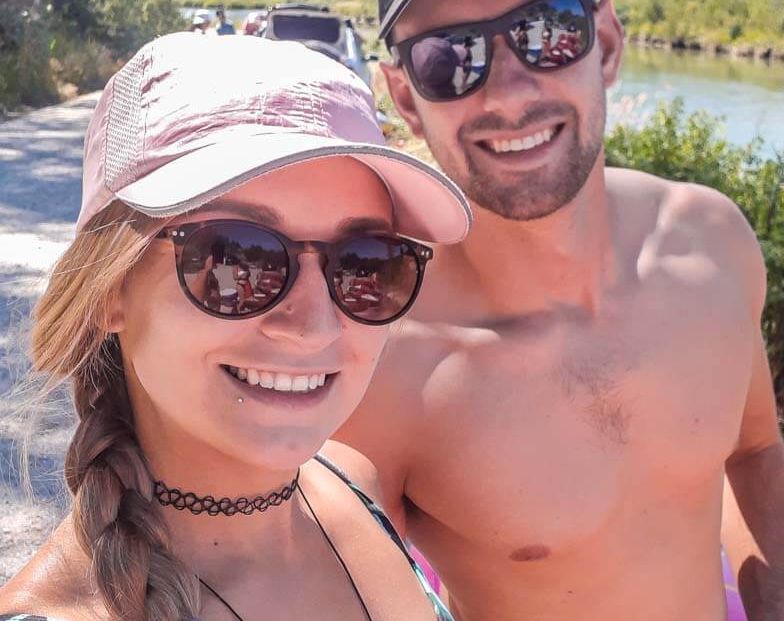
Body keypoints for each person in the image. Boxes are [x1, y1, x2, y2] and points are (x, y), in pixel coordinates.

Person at [338, 0, 784, 621]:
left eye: (547, 31)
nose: (511, 91)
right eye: (449, 58)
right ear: (406, 100)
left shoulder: (712, 243)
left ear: (608, 43)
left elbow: (754, 452)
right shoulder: (390, 357)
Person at [0, 33, 471, 621]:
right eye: (236, 257)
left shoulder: (353, 481)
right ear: (109, 289)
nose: (314, 327)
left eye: (366, 262)